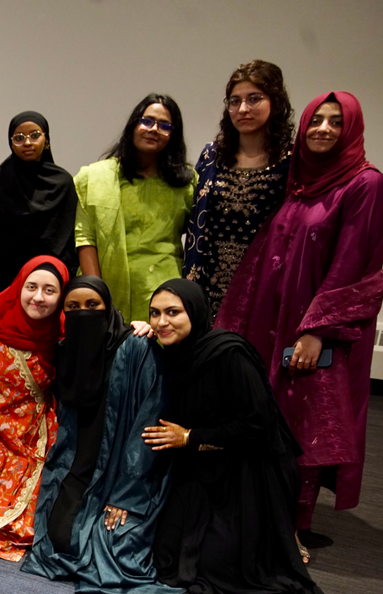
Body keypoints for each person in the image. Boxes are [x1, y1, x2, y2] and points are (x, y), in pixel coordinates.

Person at [216, 92, 383, 548]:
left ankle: (292, 526)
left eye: (335, 122)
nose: (324, 129)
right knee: (273, 411)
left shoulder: (364, 184)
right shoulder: (301, 180)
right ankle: (263, 510)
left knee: (303, 421)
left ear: (351, 129)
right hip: (276, 321)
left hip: (316, 331)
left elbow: (354, 264)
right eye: (316, 121)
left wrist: (315, 330)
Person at [146, 279, 332, 594]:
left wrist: (190, 437)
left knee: (221, 568)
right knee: (166, 554)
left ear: (196, 313)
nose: (162, 322)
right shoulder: (173, 355)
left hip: (252, 467)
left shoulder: (228, 353)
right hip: (203, 463)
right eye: (155, 314)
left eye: (173, 312)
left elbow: (257, 427)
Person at [21, 276, 182, 594]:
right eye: (74, 307)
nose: (84, 313)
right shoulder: (67, 350)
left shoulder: (137, 347)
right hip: (79, 465)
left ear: (107, 307)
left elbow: (149, 424)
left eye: (92, 306)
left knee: (111, 547)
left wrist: (127, 495)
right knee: (59, 539)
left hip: (126, 473)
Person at [0, 256, 68, 561]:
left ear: (62, 296)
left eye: (50, 290)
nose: (38, 296)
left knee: (24, 514)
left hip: (29, 432)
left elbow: (109, 338)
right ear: (19, 286)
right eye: (31, 286)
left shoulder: (65, 331)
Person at [184, 60, 295, 315]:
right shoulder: (212, 155)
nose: (243, 108)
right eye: (235, 101)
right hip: (207, 285)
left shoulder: (292, 160)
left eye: (254, 98)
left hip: (263, 288)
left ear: (275, 102)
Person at [74, 93, 195, 322]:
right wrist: (97, 295)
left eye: (165, 126)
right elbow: (85, 237)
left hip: (163, 296)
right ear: (133, 125)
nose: (153, 129)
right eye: (147, 121)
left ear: (173, 135)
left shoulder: (187, 184)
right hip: (108, 291)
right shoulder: (95, 177)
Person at [0, 111, 77, 309]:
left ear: (46, 139)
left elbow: (69, 238)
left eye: (35, 135)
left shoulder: (63, 183)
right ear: (11, 143)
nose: (27, 142)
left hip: (47, 280)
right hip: (1, 279)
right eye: (19, 138)